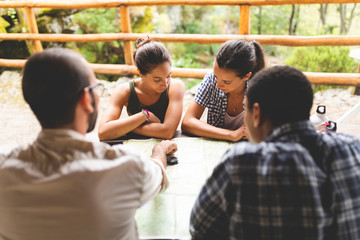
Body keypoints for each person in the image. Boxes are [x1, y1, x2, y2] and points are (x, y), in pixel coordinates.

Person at [0, 48, 177, 240]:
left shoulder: (4, 166)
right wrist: (159, 152)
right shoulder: (125, 166)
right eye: (96, 89)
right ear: (86, 99)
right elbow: (158, 176)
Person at [190, 66, 360, 240]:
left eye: (245, 108)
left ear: (256, 113)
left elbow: (200, 229)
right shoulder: (352, 149)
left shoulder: (242, 163)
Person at [98, 37, 185, 141]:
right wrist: (144, 115)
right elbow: (103, 132)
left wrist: (126, 127)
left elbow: (167, 132)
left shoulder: (175, 87)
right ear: (141, 73)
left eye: (168, 76)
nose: (165, 84)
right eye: (157, 80)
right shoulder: (124, 91)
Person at [181, 39, 265, 142]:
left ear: (246, 76)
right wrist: (231, 135)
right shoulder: (211, 79)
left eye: (226, 82)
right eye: (216, 77)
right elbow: (187, 123)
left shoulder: (259, 89)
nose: (217, 85)